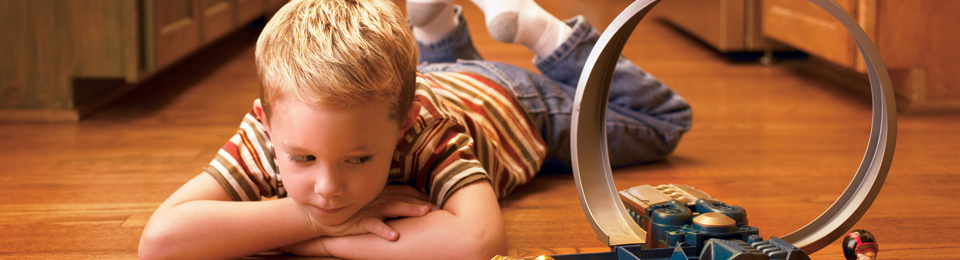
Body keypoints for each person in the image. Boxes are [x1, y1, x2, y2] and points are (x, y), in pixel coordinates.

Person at [138, 0, 691, 259]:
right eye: (302, 160)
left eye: (358, 159)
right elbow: (160, 243)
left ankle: (541, 31)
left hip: (510, 101)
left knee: (665, 123)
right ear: (265, 120)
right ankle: (435, 25)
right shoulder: (273, 130)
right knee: (415, 78)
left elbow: (477, 241)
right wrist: (307, 217)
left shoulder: (428, 130)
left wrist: (313, 240)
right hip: (421, 79)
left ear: (401, 128)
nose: (329, 188)